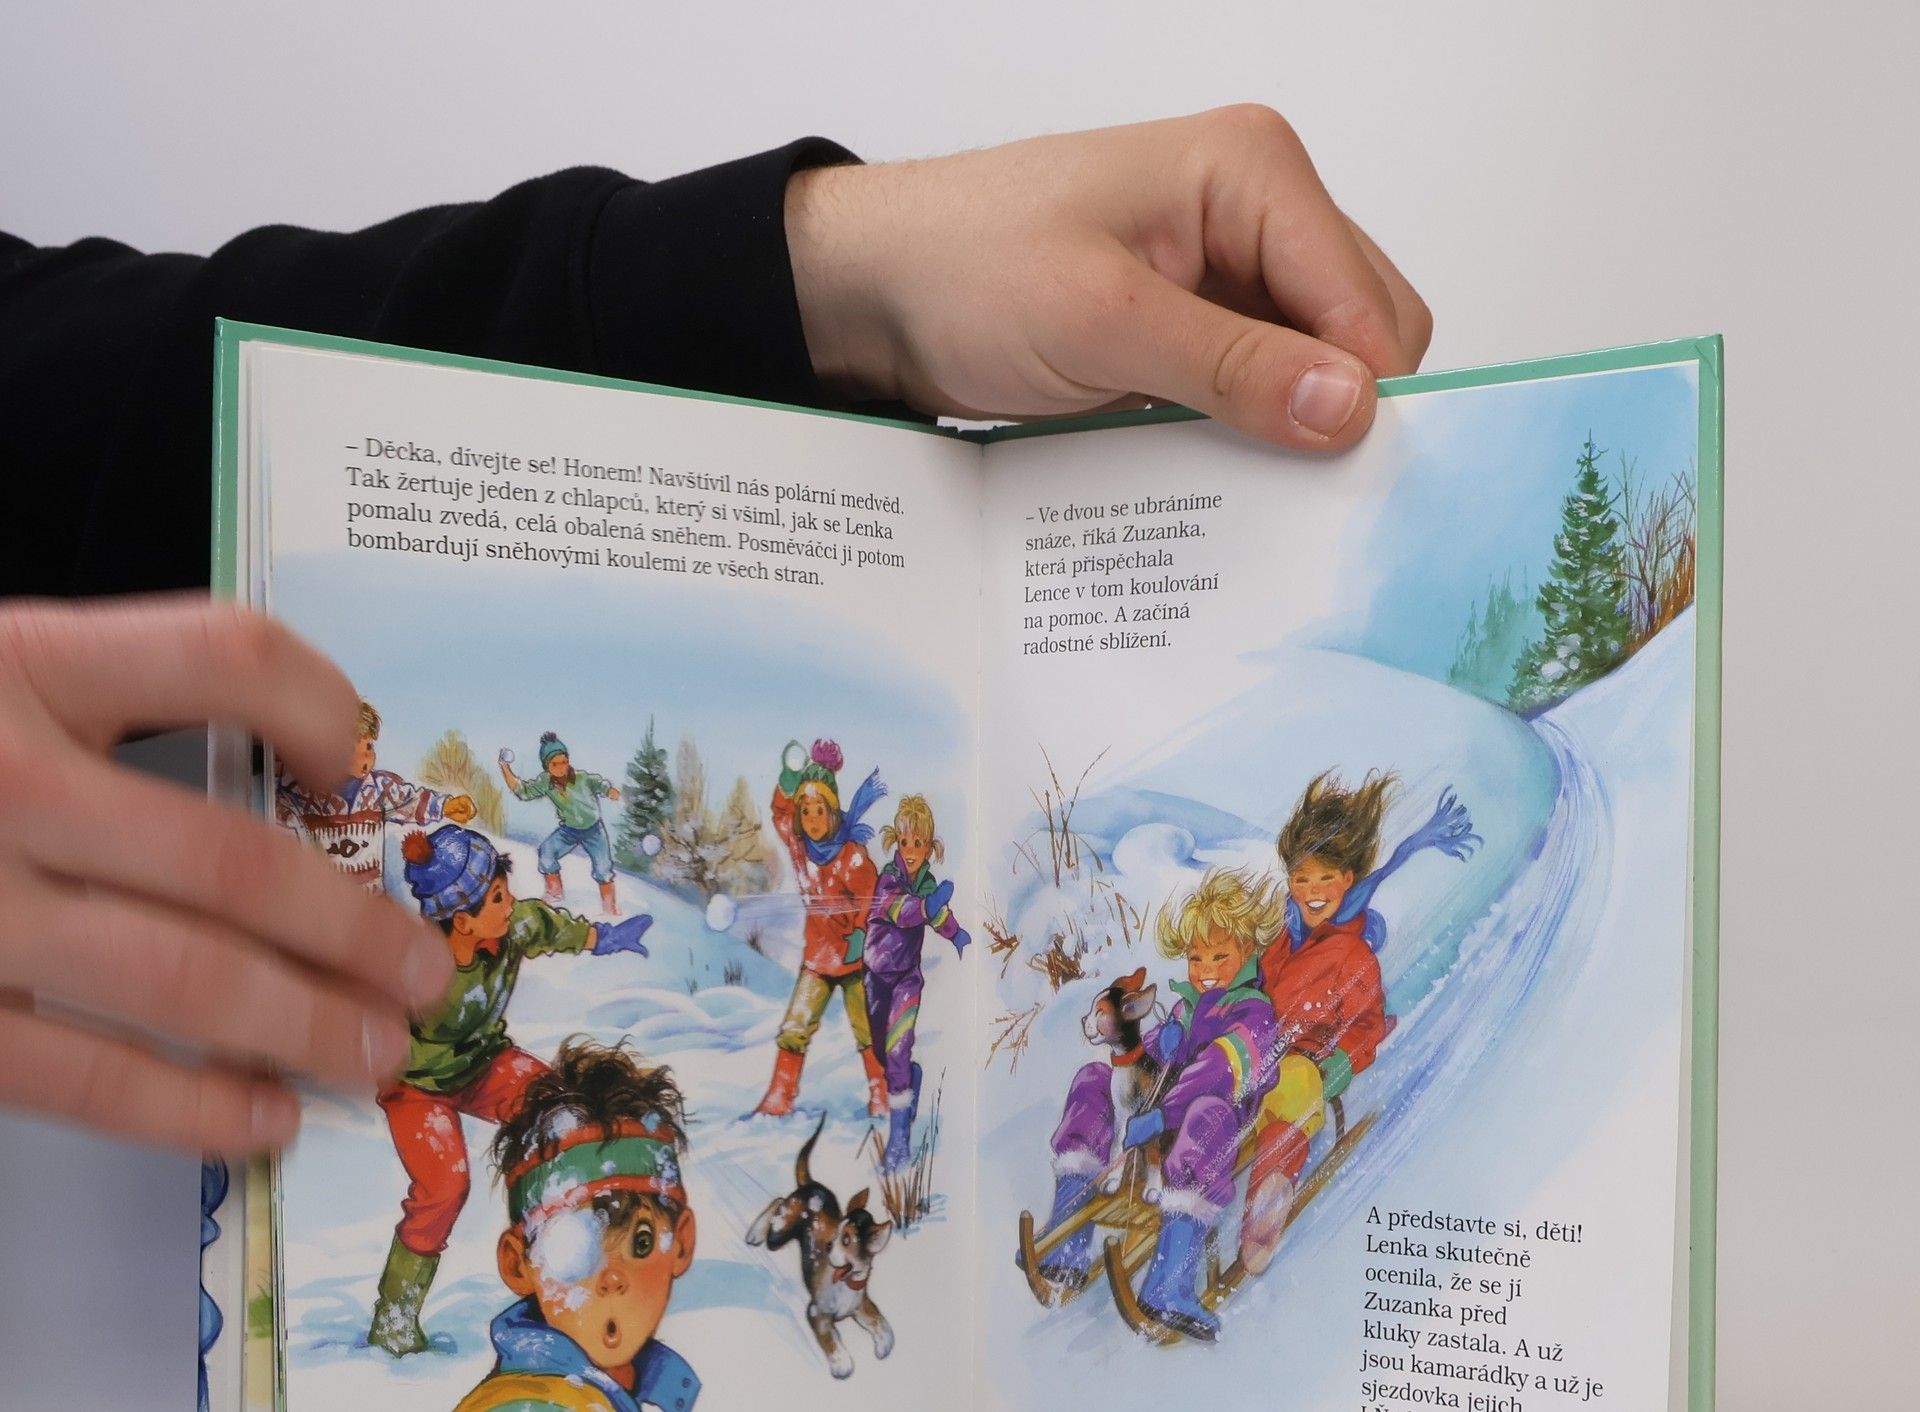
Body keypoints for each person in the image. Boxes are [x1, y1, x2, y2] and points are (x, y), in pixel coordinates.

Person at [0, 109, 1431, 1152]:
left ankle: (903, 1112)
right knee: (814, 1028)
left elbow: (73, 381)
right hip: (787, 972)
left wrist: (813, 274)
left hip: (884, 980)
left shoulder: (868, 863)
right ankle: (825, 1099)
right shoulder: (814, 848)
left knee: (876, 1044)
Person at [374, 1038, 701, 1412]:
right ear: (518, 1263)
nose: (612, 1276)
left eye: (641, 1242)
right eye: (573, 1246)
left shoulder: (588, 1399)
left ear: (681, 1243)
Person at [369, 824, 654, 1356]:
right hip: (416, 1086)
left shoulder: (514, 926)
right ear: (462, 920)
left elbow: (551, 927)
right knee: (445, 1187)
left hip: (484, 1062)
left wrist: (604, 938)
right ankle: (396, 1314)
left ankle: (574, 1252)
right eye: (498, 897)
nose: (510, 904)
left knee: (563, 1113)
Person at [1239, 774, 1480, 1273]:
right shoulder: (1282, 943)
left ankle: (1268, 1200)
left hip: (1299, 1071)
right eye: (1301, 879)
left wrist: (1341, 1066)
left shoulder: (1353, 957)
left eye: (1324, 878)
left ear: (1348, 880)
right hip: (1252, 1064)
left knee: (1294, 1088)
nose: (1312, 892)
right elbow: (1254, 992)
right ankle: (1177, 1193)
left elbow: (1365, 1027)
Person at [1038, 868, 1285, 1341]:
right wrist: (1147, 1049)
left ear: (1248, 952)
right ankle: (1066, 1242)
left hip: (1213, 1123)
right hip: (1159, 1119)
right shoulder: (1185, 1009)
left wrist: (1161, 1115)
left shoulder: (1255, 1014)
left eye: (1220, 956)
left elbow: (1217, 1070)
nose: (1206, 969)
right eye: (1196, 957)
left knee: (1205, 1117)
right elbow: (1146, 1061)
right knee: (1093, 1081)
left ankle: (1171, 1285)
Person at [754, 737, 888, 1119]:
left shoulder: (852, 855)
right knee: (795, 1026)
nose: (812, 819)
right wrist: (788, 779)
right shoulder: (800, 847)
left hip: (857, 962)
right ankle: (780, 1095)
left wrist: (860, 936)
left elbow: (870, 899)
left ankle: (881, 1092)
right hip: (818, 960)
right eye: (806, 810)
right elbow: (780, 813)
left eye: (820, 810)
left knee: (867, 1029)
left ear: (833, 812)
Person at [276, 697, 476, 895]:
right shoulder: (305, 793)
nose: (366, 758)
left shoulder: (380, 789)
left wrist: (445, 806)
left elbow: (409, 801)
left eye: (369, 747)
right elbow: (279, 813)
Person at [865, 794, 969, 1170]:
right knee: (882, 1053)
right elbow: (899, 910)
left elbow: (936, 915)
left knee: (897, 1050)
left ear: (929, 847)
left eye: (918, 843)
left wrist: (955, 933)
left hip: (906, 980)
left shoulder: (928, 887)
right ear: (896, 840)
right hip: (875, 976)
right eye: (905, 842)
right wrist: (927, 908)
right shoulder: (888, 879)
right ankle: (910, 1077)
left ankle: (899, 1141)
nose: (910, 851)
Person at [498, 731, 623, 915]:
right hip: (569, 831)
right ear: (547, 766)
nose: (561, 767)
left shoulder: (581, 778)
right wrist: (504, 766)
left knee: (603, 867)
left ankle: (610, 906)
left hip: (594, 830)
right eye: (555, 764)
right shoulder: (545, 782)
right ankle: (555, 893)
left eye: (564, 762)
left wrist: (609, 790)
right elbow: (523, 791)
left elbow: (598, 783)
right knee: (546, 852)